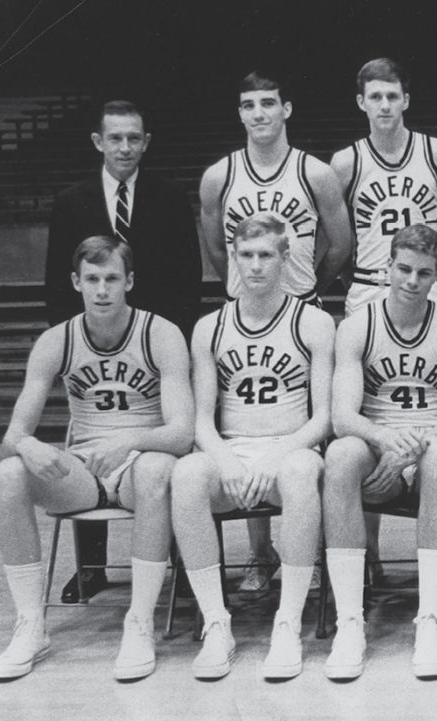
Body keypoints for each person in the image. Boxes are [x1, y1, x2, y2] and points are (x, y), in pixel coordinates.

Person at [0, 236, 193, 681]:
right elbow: (13, 434)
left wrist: (129, 444)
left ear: (130, 281)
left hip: (141, 461)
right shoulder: (55, 340)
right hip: (82, 470)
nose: (102, 290)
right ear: (76, 283)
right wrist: (30, 446)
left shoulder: (160, 333)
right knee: (8, 474)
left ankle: (139, 622)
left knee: (159, 467)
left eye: (112, 279)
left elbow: (181, 434)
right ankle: (31, 626)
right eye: (93, 279)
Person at [44, 100, 202, 603]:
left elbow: (188, 281)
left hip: (154, 351)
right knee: (92, 442)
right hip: (93, 348)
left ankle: (175, 560)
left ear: (146, 142)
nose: (125, 148)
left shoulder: (170, 197)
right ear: (98, 141)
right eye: (115, 138)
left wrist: (165, 349)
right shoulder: (71, 201)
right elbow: (55, 284)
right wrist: (76, 354)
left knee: (159, 454)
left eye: (134, 138)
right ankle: (91, 567)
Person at [199, 71, 352, 592]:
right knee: (248, 422)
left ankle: (310, 555)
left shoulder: (315, 172)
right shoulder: (220, 175)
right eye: (248, 105)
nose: (258, 113)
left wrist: (309, 286)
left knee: (304, 434)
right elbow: (219, 250)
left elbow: (341, 240)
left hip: (302, 308)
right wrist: (242, 286)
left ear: (287, 108)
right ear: (239, 113)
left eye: (268, 103)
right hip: (242, 314)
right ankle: (259, 554)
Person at [171, 213, 334, 680]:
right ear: (233, 259)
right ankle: (217, 624)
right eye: (247, 255)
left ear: (286, 258)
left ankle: (287, 623)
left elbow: (321, 418)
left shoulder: (315, 322)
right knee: (186, 476)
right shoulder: (209, 327)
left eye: (266, 255)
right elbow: (202, 418)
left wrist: (275, 457)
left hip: (292, 450)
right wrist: (224, 460)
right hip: (234, 452)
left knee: (303, 473)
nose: (256, 265)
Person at [322, 224, 437, 680]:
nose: (412, 281)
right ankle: (350, 621)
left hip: (429, 446)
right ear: (387, 267)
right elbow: (342, 416)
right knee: (342, 454)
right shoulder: (356, 326)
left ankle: (429, 618)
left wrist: (416, 446)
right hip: (377, 444)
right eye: (403, 269)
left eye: (424, 273)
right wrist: (387, 442)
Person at [332, 58, 437, 316]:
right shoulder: (346, 162)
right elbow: (338, 241)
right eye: (375, 97)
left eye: (392, 96)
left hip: (423, 285)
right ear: (362, 102)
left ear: (405, 100)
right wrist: (357, 283)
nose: (384, 106)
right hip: (369, 286)